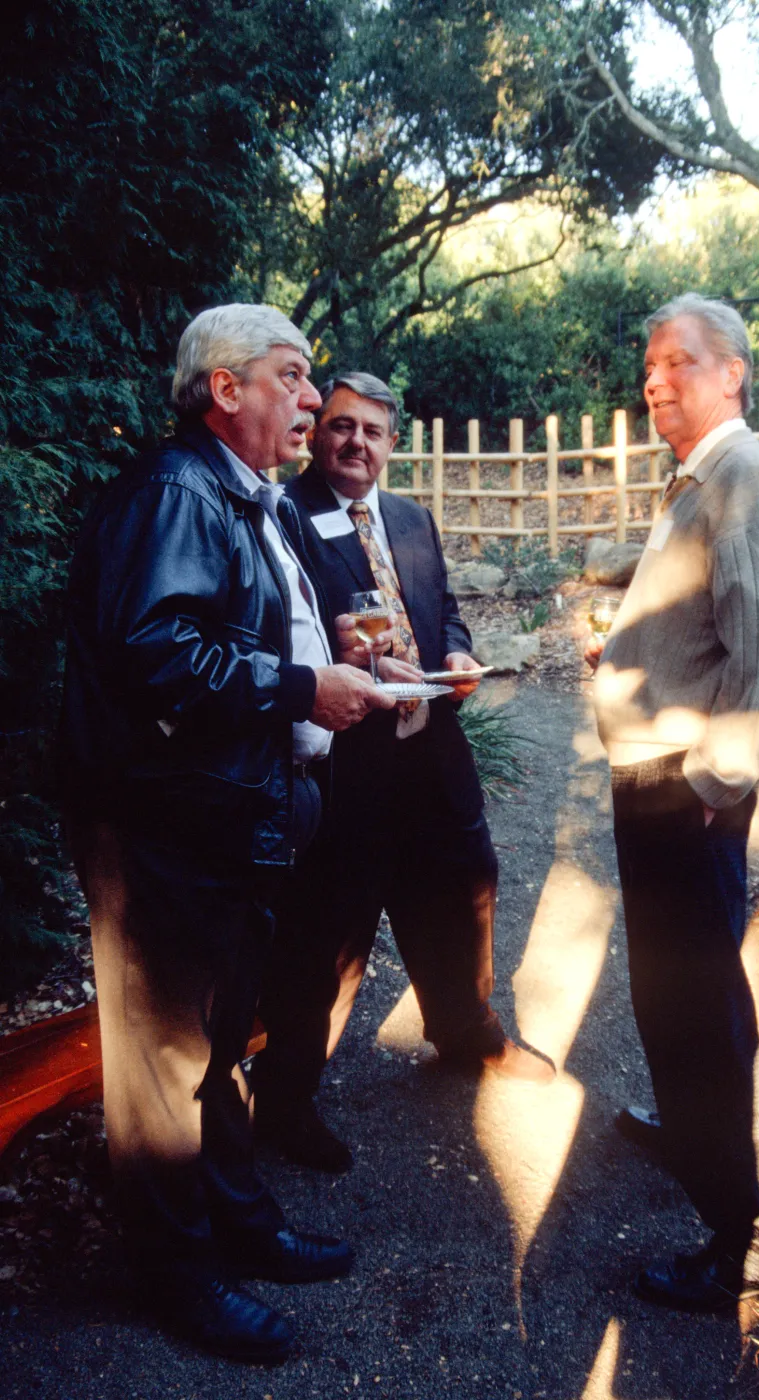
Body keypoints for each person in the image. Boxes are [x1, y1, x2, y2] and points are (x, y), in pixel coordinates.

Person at [60, 306, 396, 1361]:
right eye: (292, 378)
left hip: (225, 819)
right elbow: (158, 653)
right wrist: (303, 681)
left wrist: (327, 645)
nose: (310, 400)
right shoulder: (176, 490)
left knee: (217, 1048)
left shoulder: (242, 495)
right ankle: (180, 1277)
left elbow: (237, 627)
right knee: (164, 1065)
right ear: (224, 388)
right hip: (166, 827)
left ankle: (240, 1226)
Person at [253, 371, 555, 1171]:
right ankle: (284, 1102)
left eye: (374, 432)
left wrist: (454, 649)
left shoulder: (413, 520)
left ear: (394, 443)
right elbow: (275, 628)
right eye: (342, 426)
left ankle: (465, 1036)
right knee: (329, 933)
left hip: (432, 744)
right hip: (348, 761)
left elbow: (442, 608)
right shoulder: (283, 515)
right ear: (319, 433)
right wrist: (333, 650)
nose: (357, 443)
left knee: (465, 889)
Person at [588, 294, 759, 1311]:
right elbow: (703, 620)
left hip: (688, 790)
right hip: (656, 781)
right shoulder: (697, 477)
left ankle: (731, 1237)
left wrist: (717, 782)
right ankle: (691, 1132)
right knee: (671, 992)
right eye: (648, 362)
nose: (655, 376)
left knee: (694, 1005)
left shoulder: (744, 476)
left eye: (679, 358)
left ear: (733, 373)